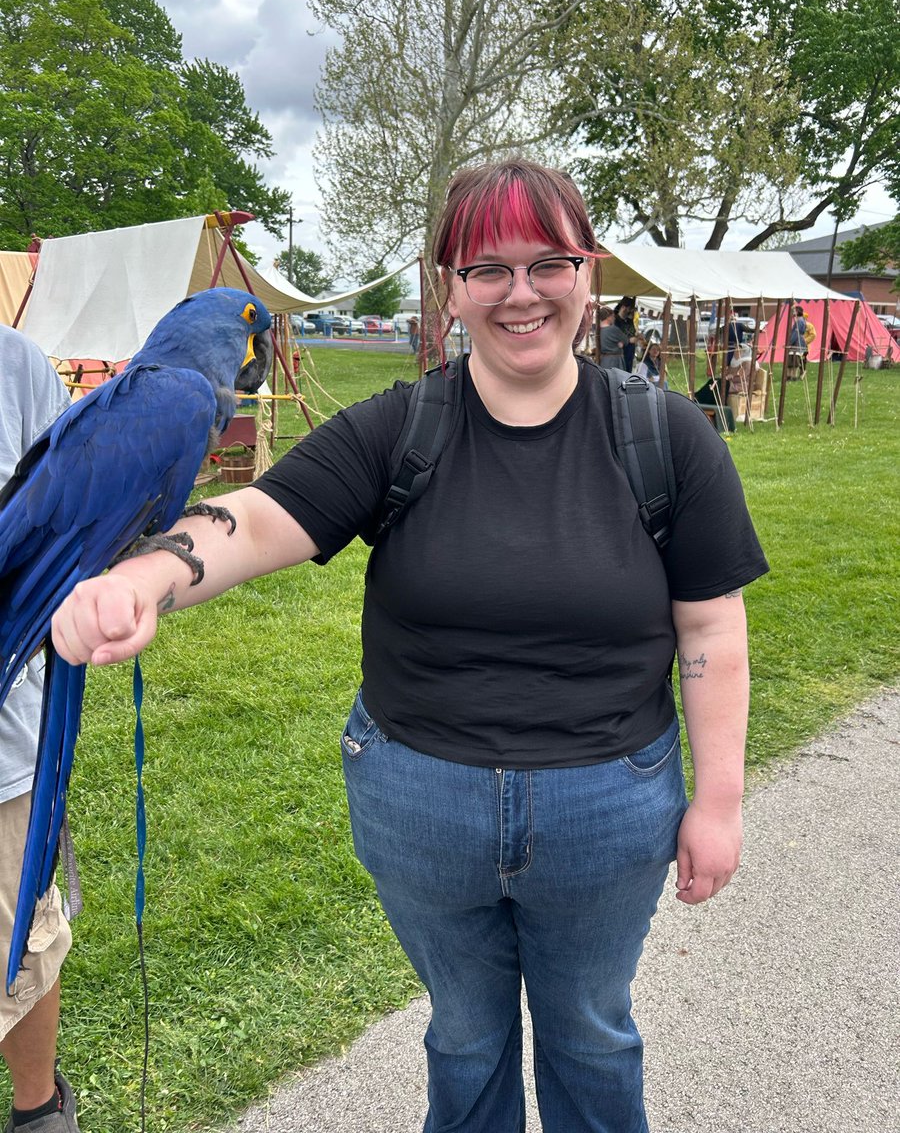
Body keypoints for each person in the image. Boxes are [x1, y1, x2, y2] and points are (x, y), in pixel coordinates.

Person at [51, 160, 768, 1133]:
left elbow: (712, 628)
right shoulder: (403, 427)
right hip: (422, 810)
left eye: (547, 262)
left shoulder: (667, 435)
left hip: (605, 811)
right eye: (488, 269)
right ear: (451, 288)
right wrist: (145, 577)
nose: (520, 292)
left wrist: (718, 802)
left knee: (592, 1035)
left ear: (587, 272)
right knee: (465, 1037)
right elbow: (259, 520)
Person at [0, 328, 79, 1132]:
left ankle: (40, 1114)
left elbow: (72, 528)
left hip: (6, 742)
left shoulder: (16, 366)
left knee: (21, 932)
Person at [613, 296, 639, 371]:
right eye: (630, 309)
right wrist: (629, 340)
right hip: (620, 354)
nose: (632, 311)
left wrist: (638, 336)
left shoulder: (629, 321)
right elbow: (614, 337)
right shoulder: (615, 321)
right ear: (624, 307)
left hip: (630, 353)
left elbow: (632, 333)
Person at [596, 304, 625, 369]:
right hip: (615, 361)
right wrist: (620, 343)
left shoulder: (597, 329)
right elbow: (626, 340)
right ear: (608, 317)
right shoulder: (614, 329)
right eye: (613, 316)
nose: (614, 318)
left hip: (603, 361)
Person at [787, 304, 808, 380]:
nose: (793, 312)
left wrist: (789, 343)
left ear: (798, 312)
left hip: (797, 342)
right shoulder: (800, 320)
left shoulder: (800, 321)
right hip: (797, 341)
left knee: (794, 360)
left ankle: (793, 376)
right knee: (791, 359)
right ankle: (790, 376)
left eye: (794, 311)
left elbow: (796, 333)